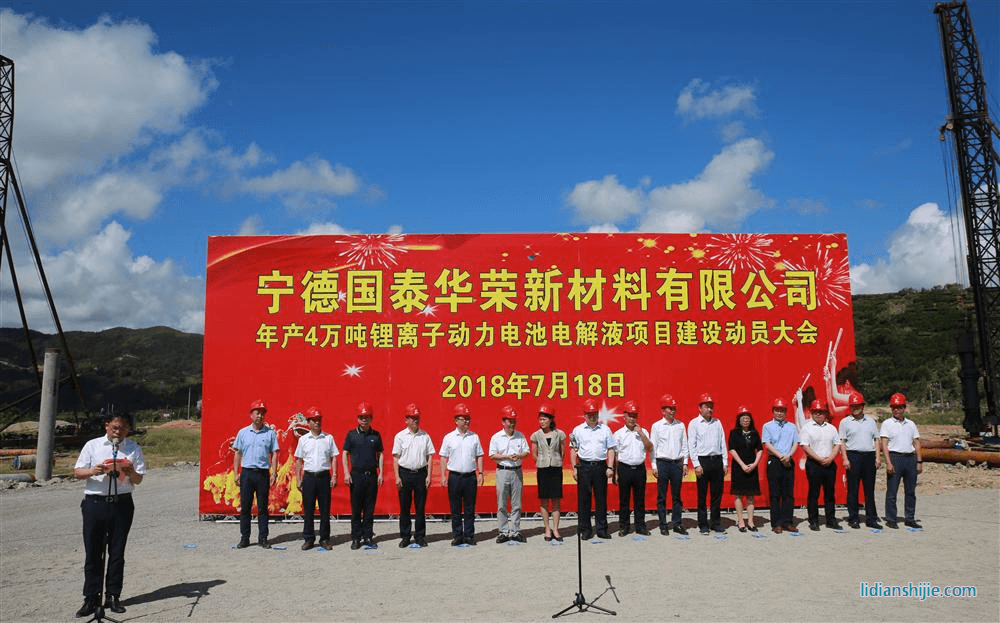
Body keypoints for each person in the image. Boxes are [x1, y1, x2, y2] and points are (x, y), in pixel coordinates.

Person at [73, 412, 146, 618]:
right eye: (115, 427)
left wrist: (130, 472)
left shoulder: (133, 448)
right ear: (106, 426)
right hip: (95, 503)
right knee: (93, 552)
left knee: (117, 552)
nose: (118, 432)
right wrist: (93, 471)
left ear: (128, 429)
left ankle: (113, 595)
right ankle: (91, 597)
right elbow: (77, 471)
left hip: (121, 503)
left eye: (123, 428)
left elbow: (139, 479)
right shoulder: (92, 445)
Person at [232, 399, 279, 549]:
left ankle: (263, 538)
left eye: (262, 413)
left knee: (263, 508)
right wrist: (236, 473)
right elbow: (237, 453)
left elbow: (274, 454)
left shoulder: (270, 433)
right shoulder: (243, 433)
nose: (260, 416)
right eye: (257, 413)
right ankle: (245, 538)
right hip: (247, 473)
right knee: (245, 507)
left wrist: (274, 473)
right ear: (251, 415)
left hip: (262, 474)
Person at [569, 398, 616, 540]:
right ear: (584, 415)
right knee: (584, 500)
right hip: (584, 467)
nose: (592, 417)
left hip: (600, 467)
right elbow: (573, 450)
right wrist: (574, 469)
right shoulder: (578, 430)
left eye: (595, 414)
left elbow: (611, 449)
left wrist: (610, 467)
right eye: (589, 414)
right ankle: (586, 530)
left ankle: (602, 529)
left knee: (601, 499)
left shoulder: (605, 429)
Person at [293, 406, 338, 550]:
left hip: (324, 477)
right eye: (314, 420)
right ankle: (309, 538)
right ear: (308, 422)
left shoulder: (328, 438)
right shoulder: (303, 440)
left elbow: (334, 457)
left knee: (325, 510)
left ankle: (324, 539)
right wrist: (298, 479)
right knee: (308, 510)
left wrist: (334, 475)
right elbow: (298, 460)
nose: (317, 422)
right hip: (309, 478)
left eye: (319, 419)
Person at [439, 403, 485, 546]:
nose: (466, 421)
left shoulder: (474, 437)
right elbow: (443, 457)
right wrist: (443, 475)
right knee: (455, 509)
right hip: (454, 477)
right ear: (456, 420)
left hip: (470, 477)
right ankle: (457, 536)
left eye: (468, 418)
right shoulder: (449, 437)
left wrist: (481, 472)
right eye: (463, 418)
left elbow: (479, 455)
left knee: (470, 508)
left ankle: (469, 535)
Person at [392, 403, 435, 548]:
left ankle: (420, 536)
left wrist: (429, 476)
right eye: (412, 417)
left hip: (421, 474)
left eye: (417, 417)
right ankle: (405, 536)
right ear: (406, 420)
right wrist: (397, 477)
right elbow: (396, 458)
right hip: (404, 474)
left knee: (420, 507)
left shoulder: (425, 436)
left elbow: (430, 456)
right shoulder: (400, 436)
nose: (415, 420)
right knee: (404, 507)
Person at [342, 401, 384, 549]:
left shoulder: (376, 435)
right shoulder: (351, 435)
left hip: (371, 476)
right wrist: (346, 473)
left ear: (371, 418)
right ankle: (356, 538)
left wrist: (381, 473)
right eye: (361, 417)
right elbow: (345, 453)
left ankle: (367, 536)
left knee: (369, 508)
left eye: (366, 417)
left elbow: (381, 454)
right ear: (357, 418)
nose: (364, 420)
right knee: (356, 509)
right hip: (356, 476)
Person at [838, 391, 883, 529]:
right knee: (853, 489)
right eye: (852, 406)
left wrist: (878, 457)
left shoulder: (871, 422)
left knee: (869, 490)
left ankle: (871, 519)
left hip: (869, 456)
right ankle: (853, 518)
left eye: (857, 406)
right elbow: (842, 442)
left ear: (863, 406)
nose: (855, 408)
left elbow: (876, 440)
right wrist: (845, 459)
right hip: (853, 456)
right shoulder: (845, 422)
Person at [881, 392, 923, 529]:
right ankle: (891, 518)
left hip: (910, 458)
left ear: (904, 408)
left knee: (910, 491)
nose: (896, 410)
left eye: (899, 407)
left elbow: (916, 443)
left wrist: (919, 461)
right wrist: (888, 462)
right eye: (894, 408)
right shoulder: (887, 424)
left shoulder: (911, 424)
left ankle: (910, 518)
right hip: (895, 457)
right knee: (892, 491)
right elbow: (884, 445)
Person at [688, 393, 728, 534]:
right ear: (700, 408)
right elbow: (691, 445)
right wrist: (696, 465)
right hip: (702, 462)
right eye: (707, 406)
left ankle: (715, 523)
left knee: (717, 495)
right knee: (702, 495)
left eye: (711, 406)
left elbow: (722, 443)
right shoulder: (694, 424)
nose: (710, 409)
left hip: (717, 461)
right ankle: (703, 524)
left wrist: (725, 462)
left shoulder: (717, 422)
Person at [489, 405, 530, 543]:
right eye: (509, 421)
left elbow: (526, 452)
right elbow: (492, 455)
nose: (511, 424)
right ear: (503, 422)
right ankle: (503, 532)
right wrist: (506, 457)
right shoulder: (496, 437)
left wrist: (519, 455)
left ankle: (516, 531)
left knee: (516, 504)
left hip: (516, 471)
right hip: (502, 471)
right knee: (501, 503)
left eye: (513, 421)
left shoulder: (520, 436)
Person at [800, 400, 842, 531]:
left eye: (821, 412)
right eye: (816, 412)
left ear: (825, 414)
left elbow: (837, 444)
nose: (818, 415)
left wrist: (830, 458)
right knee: (814, 493)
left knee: (830, 493)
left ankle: (831, 520)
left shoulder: (831, 428)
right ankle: (813, 520)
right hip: (814, 464)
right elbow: (805, 446)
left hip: (829, 463)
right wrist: (819, 459)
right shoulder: (807, 427)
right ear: (812, 413)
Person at [650, 393, 689, 535]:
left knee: (677, 496)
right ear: (663, 411)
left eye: (674, 408)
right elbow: (653, 448)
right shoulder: (656, 426)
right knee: (662, 496)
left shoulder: (680, 425)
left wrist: (685, 463)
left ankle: (677, 523)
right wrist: (654, 466)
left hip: (677, 464)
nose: (672, 411)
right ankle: (663, 524)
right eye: (669, 408)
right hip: (663, 463)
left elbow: (684, 445)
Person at [613, 400, 652, 536]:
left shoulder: (643, 431)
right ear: (624, 416)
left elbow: (650, 447)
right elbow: (615, 455)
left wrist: (641, 433)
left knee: (639, 500)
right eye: (629, 415)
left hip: (639, 469)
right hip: (624, 469)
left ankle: (640, 526)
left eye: (634, 416)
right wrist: (615, 473)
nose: (632, 419)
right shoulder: (618, 434)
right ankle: (624, 527)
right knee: (624, 500)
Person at [761, 397, 799, 534]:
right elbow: (767, 444)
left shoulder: (792, 426)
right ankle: (776, 523)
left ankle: (787, 521)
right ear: (773, 411)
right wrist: (780, 456)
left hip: (788, 460)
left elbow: (796, 442)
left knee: (788, 494)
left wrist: (789, 455)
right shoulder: (767, 426)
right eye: (777, 410)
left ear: (785, 412)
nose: (779, 413)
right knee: (775, 494)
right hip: (775, 461)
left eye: (782, 410)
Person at [529, 403, 566, 542]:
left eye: (544, 419)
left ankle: (556, 529)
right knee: (544, 500)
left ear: (550, 420)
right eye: (540, 419)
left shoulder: (559, 434)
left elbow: (562, 451)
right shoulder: (536, 435)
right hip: (543, 469)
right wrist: (542, 461)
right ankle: (547, 529)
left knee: (556, 499)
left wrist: (556, 460)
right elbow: (534, 453)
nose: (542, 422)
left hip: (556, 468)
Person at [727, 406, 763, 532]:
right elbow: (732, 449)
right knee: (738, 495)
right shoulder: (734, 433)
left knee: (751, 495)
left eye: (747, 418)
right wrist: (742, 464)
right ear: (739, 420)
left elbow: (760, 450)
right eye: (743, 418)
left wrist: (755, 464)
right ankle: (741, 521)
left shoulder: (755, 433)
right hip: (739, 467)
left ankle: (751, 521)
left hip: (752, 467)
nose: (745, 421)